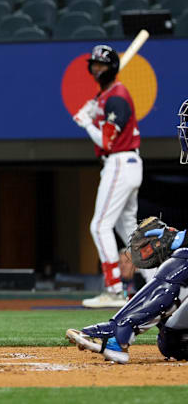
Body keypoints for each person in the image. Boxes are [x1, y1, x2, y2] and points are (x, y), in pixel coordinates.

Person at [66, 100, 188, 364]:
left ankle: (120, 329)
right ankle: (120, 326)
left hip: (121, 161)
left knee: (185, 257)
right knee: (174, 341)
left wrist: (180, 240)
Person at [72, 45, 142, 309]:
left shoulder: (116, 97)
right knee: (131, 231)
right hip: (128, 163)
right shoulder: (107, 96)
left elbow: (107, 141)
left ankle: (113, 290)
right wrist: (94, 110)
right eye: (94, 65)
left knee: (99, 226)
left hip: (120, 162)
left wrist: (86, 122)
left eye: (102, 65)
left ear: (111, 67)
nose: (96, 69)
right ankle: (159, 278)